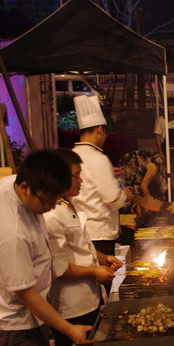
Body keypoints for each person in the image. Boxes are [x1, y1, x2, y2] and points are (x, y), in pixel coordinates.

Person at [0, 150, 92, 346]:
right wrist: (70, 329)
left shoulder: (10, 182)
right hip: (12, 320)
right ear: (26, 188)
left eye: (57, 199)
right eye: (48, 201)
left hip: (26, 311)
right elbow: (25, 294)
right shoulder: (11, 234)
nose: (51, 207)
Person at [44, 149, 122, 346]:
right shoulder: (51, 215)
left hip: (87, 296)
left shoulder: (68, 204)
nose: (81, 181)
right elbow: (60, 267)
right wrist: (93, 271)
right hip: (70, 302)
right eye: (76, 176)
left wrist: (101, 258)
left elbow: (80, 245)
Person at [71, 95, 133, 264]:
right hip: (100, 233)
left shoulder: (71, 155)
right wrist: (125, 194)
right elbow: (112, 199)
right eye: (106, 133)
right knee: (102, 279)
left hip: (80, 231)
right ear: (100, 129)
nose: (105, 138)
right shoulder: (99, 159)